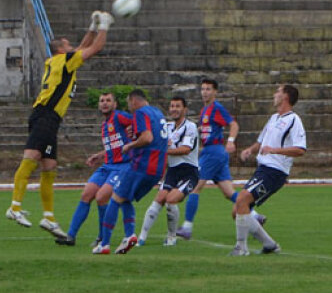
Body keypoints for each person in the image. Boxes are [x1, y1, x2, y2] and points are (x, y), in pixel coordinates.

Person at [7, 11, 111, 233]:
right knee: (31, 158)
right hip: (46, 115)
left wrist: (92, 28)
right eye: (68, 45)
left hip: (49, 118)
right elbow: (95, 48)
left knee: (49, 166)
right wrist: (104, 26)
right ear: (62, 50)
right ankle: (15, 206)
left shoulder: (58, 61)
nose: (72, 47)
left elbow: (81, 47)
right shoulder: (65, 61)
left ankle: (48, 217)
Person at [230, 84, 307, 256]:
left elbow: (300, 149)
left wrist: (275, 150)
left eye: (278, 91)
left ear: (285, 97)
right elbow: (262, 142)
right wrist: (250, 150)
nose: (274, 94)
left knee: (242, 200)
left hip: (275, 172)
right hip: (263, 169)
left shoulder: (294, 120)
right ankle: (269, 244)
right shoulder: (273, 118)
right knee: (237, 210)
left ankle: (241, 248)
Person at [53, 91, 135, 246]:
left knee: (101, 197)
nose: (104, 103)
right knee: (86, 194)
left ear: (115, 104)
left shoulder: (119, 116)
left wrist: (135, 130)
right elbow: (115, 145)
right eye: (102, 100)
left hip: (122, 167)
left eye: (108, 100)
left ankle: (103, 237)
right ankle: (70, 236)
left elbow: (138, 122)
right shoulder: (105, 125)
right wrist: (99, 155)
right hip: (107, 165)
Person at [96, 90, 168, 254]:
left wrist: (130, 145)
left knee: (115, 199)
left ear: (134, 101)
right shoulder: (157, 113)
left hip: (141, 165)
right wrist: (135, 135)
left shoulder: (140, 113)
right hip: (158, 169)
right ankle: (129, 236)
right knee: (125, 198)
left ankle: (104, 244)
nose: (129, 108)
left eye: (129, 104)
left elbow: (147, 138)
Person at [175, 78, 239, 240]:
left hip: (213, 152)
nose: (205, 92)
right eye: (203, 89)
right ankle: (254, 215)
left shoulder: (217, 108)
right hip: (213, 152)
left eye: (208, 89)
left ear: (215, 92)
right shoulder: (205, 110)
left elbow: (233, 124)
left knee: (194, 187)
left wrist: (231, 141)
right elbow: (207, 128)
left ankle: (187, 227)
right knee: (228, 192)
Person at [139, 96, 199, 246]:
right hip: (172, 171)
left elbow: (185, 149)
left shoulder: (190, 126)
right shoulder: (166, 127)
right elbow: (150, 135)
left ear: (185, 109)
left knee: (171, 199)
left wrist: (163, 151)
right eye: (172, 106)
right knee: (159, 199)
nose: (174, 109)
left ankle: (171, 237)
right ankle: (141, 238)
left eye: (178, 106)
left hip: (189, 172)